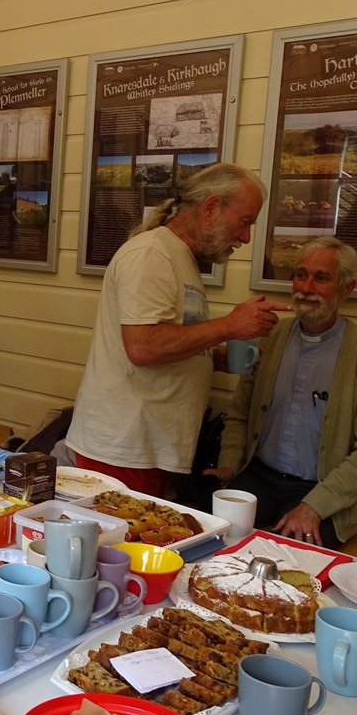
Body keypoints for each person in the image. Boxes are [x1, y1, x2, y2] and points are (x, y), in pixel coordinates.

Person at [65, 162, 288, 497]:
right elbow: (142, 347)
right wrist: (230, 325)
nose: (246, 237)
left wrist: (219, 358)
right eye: (245, 222)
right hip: (123, 448)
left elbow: (172, 341)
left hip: (151, 447)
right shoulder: (151, 254)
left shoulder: (180, 258)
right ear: (211, 207)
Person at [204, 236, 357, 548]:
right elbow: (240, 412)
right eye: (301, 274)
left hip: (319, 489)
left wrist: (314, 506)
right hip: (259, 478)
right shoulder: (270, 337)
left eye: (321, 278)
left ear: (347, 289)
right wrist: (229, 463)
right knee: (210, 533)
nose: (306, 288)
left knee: (289, 555)